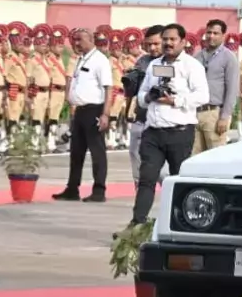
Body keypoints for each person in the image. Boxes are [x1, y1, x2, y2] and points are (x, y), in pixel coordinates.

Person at [129, 24, 208, 225]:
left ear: (183, 42)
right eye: (165, 39)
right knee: (146, 179)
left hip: (179, 132)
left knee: (177, 180)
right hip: (153, 132)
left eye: (173, 39)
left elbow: (202, 96)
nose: (168, 43)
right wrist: (149, 96)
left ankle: (179, 224)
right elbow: (140, 96)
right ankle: (137, 223)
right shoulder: (154, 65)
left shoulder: (192, 66)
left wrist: (175, 100)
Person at [55, 28, 113, 203]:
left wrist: (105, 114)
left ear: (90, 40)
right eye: (75, 40)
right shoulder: (80, 59)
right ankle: (72, 188)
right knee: (76, 152)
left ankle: (99, 190)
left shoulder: (100, 61)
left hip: (94, 110)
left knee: (97, 152)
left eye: (80, 40)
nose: (76, 43)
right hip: (80, 111)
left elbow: (108, 88)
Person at [123, 25, 165, 180]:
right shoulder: (142, 61)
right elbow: (132, 91)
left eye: (156, 44)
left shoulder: (172, 62)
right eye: (148, 44)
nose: (152, 48)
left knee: (162, 170)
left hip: (162, 121)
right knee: (136, 159)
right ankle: (140, 194)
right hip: (141, 118)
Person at [194, 19, 240, 153]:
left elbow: (232, 90)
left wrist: (224, 117)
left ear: (223, 36)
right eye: (209, 32)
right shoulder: (198, 56)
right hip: (196, 113)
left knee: (215, 155)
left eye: (216, 33)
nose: (211, 36)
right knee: (193, 158)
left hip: (215, 113)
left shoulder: (229, 57)